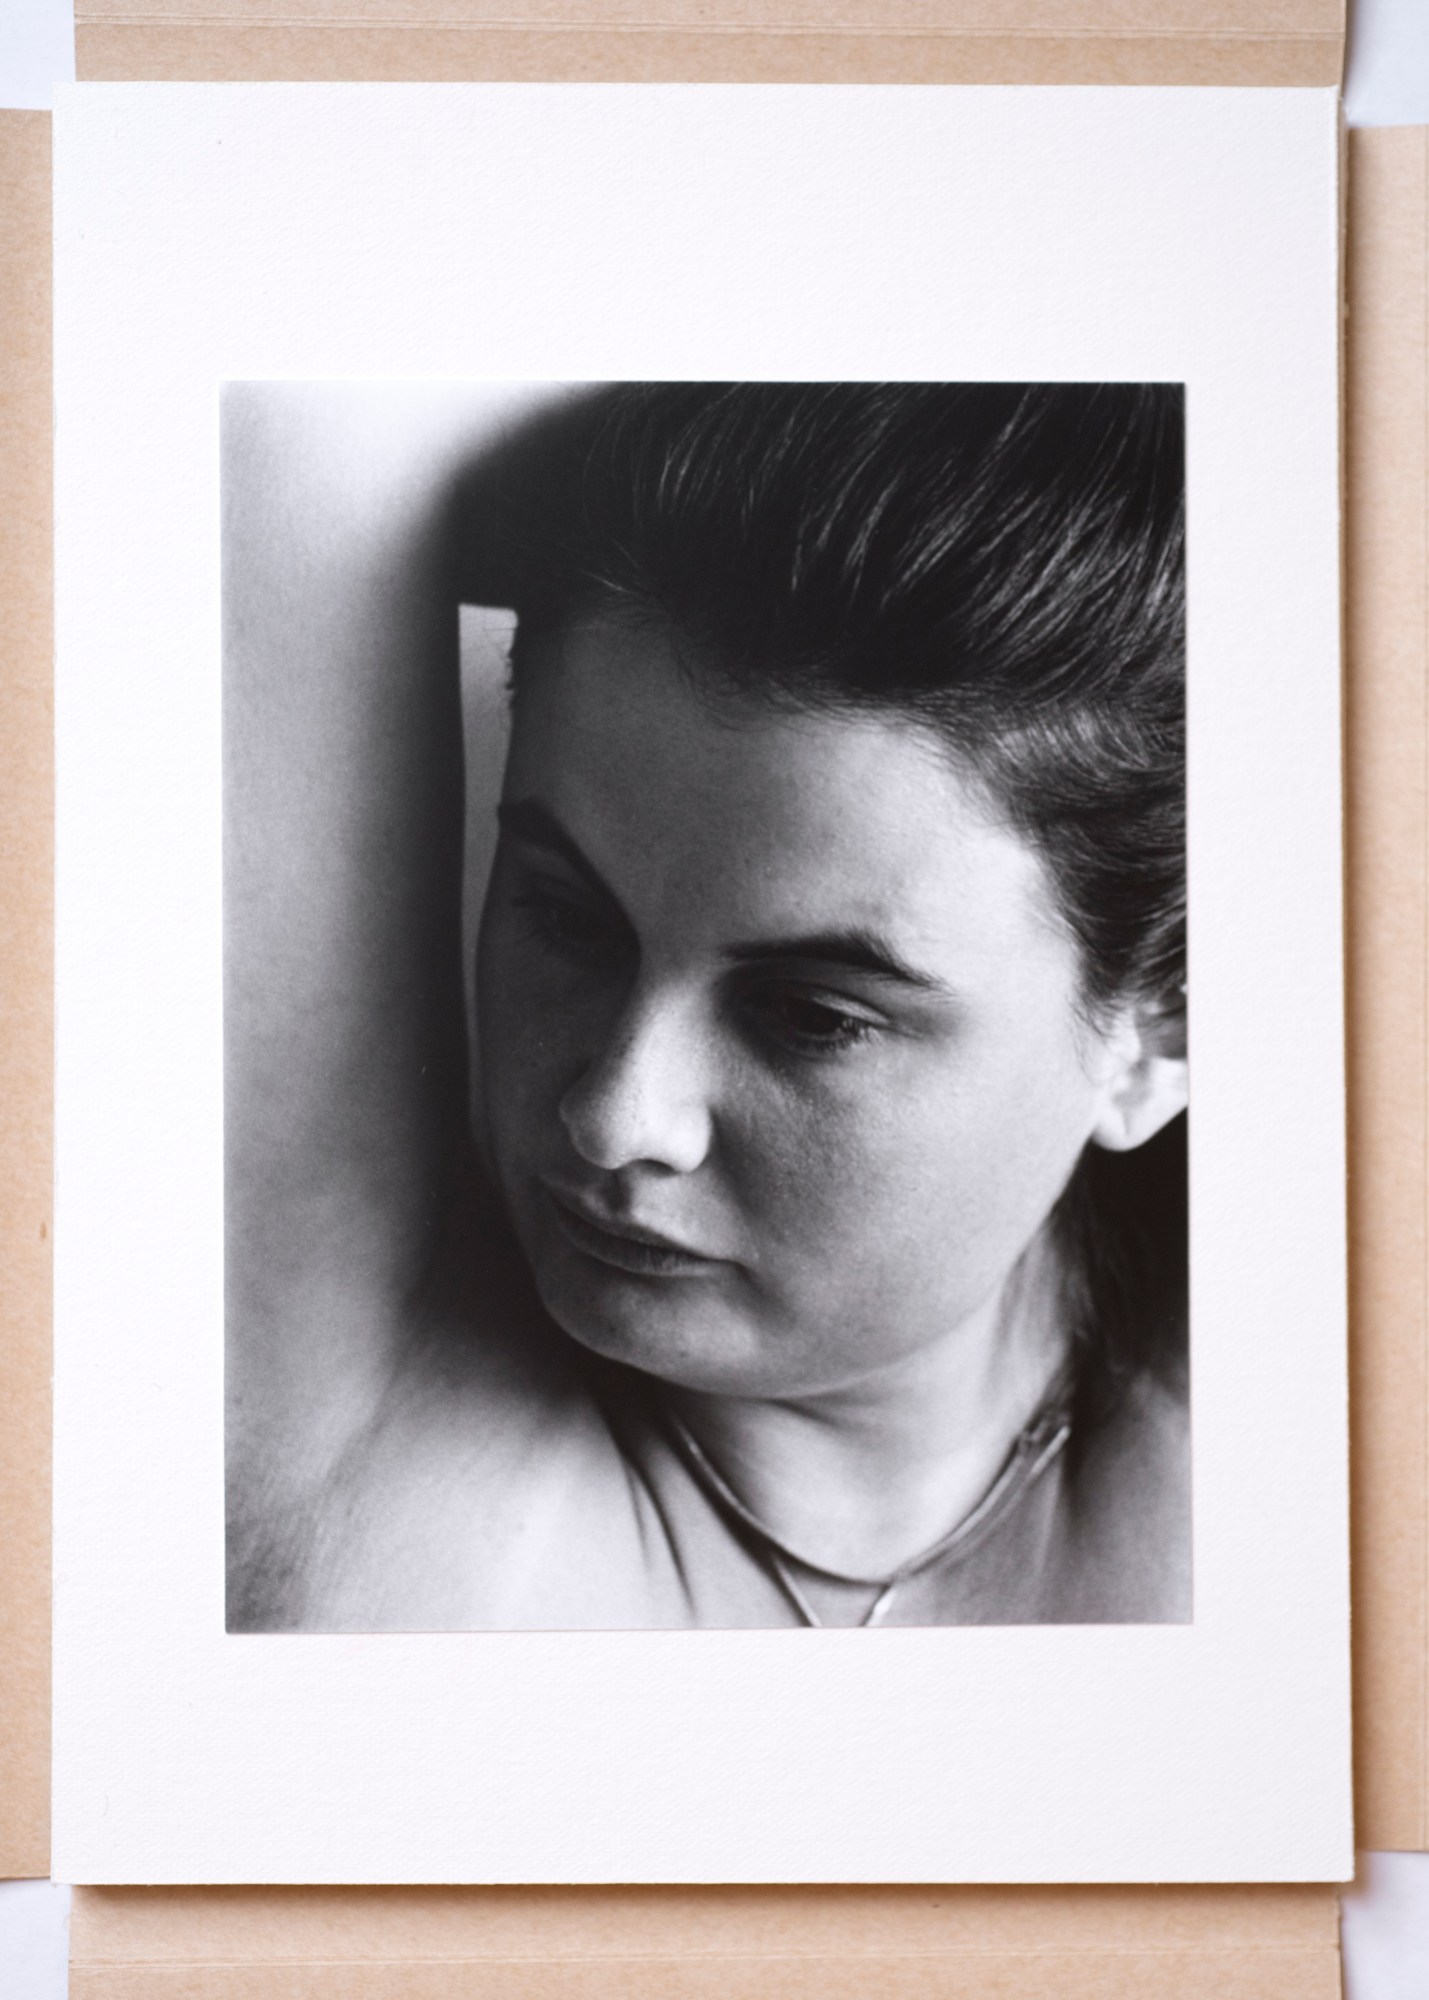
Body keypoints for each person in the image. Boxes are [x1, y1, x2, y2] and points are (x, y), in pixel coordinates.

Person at [225, 381, 1189, 1632]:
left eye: (811, 1015)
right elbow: (291, 411)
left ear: (1156, 1035)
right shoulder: (358, 1411)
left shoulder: (1303, 1512)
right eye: (569, 921)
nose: (611, 1115)